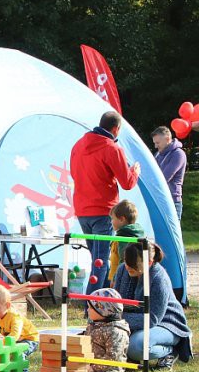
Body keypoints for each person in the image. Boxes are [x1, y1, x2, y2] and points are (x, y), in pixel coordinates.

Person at [69, 111, 141, 293]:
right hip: (103, 210)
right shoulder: (112, 148)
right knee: (100, 261)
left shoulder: (78, 145)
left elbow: (74, 174)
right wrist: (135, 172)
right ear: (116, 129)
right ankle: (91, 305)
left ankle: (103, 299)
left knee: (98, 258)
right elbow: (127, 182)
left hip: (82, 209)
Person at [113, 242, 193, 369]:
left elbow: (152, 319)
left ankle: (170, 350)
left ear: (149, 263)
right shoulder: (122, 269)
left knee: (135, 346)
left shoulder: (159, 278)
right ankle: (130, 356)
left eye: (133, 266)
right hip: (135, 321)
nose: (128, 267)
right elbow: (116, 303)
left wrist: (119, 320)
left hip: (166, 323)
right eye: (127, 262)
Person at [84, 288, 142, 372]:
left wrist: (93, 368)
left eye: (91, 307)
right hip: (90, 366)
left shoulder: (116, 331)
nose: (88, 310)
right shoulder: (94, 325)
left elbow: (112, 358)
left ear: (103, 310)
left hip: (109, 370)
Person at [0, 285, 39, 357]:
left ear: (7, 305)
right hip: (15, 340)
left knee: (18, 353)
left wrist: (2, 341)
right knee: (5, 353)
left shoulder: (14, 317)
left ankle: (23, 368)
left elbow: (15, 334)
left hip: (29, 339)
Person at [152, 126, 187, 220]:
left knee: (173, 234)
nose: (155, 146)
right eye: (154, 143)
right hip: (159, 199)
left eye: (157, 143)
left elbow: (164, 178)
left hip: (172, 201)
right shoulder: (158, 154)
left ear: (167, 139)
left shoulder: (178, 154)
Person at [106, 200, 145, 284]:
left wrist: (116, 278)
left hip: (122, 279)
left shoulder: (124, 238)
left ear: (122, 219)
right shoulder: (135, 234)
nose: (111, 221)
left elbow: (124, 261)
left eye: (112, 218)